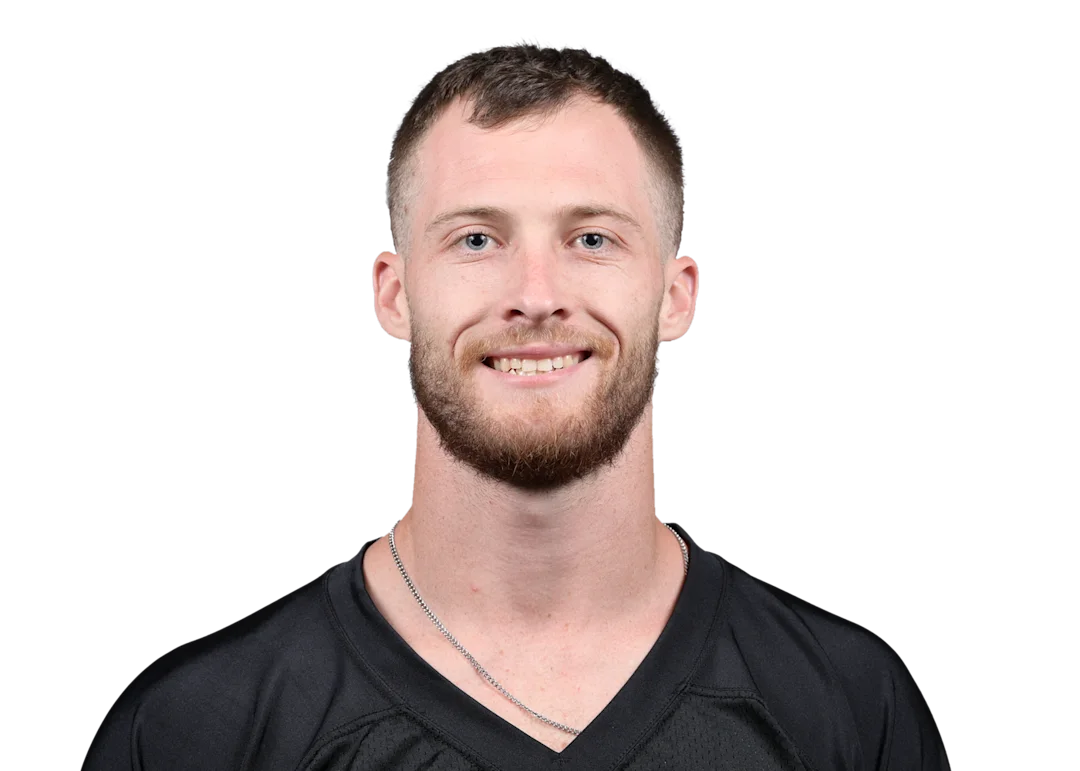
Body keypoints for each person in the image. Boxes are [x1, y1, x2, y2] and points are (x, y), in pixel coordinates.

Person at [83, 40, 950, 770]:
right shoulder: (197, 731)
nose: (536, 295)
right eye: (476, 238)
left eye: (592, 238)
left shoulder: (849, 707)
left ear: (677, 296)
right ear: (392, 294)